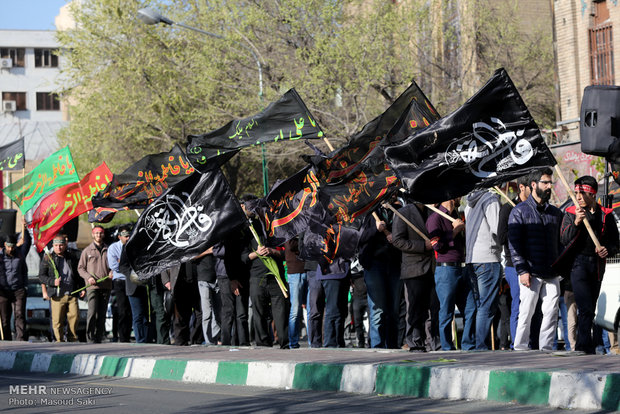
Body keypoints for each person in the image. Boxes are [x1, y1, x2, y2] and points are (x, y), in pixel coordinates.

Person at [557, 175, 619, 354]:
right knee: (585, 307)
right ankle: (585, 346)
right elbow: (564, 239)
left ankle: (588, 345)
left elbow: (615, 243)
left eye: (582, 193)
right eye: (576, 193)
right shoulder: (570, 212)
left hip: (598, 266)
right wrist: (576, 222)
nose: (578, 197)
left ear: (592, 195)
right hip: (578, 265)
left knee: (591, 308)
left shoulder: (606, 215)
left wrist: (608, 249)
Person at [508, 168, 563, 351]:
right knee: (526, 312)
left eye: (550, 182)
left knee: (551, 312)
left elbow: (562, 241)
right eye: (545, 182)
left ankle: (546, 348)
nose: (549, 186)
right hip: (530, 272)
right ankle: (520, 348)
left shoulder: (555, 213)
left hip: (551, 270)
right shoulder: (519, 211)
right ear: (533, 185)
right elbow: (514, 245)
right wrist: (522, 270)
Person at [239, 194, 289, 348]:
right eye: (249, 207)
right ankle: (263, 344)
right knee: (259, 314)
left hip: (276, 277)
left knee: (280, 313)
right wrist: (257, 253)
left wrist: (272, 251)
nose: (253, 210)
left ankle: (284, 343)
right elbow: (243, 257)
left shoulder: (274, 227)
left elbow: (286, 253)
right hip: (257, 277)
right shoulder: (245, 230)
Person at [426, 197, 476, 351]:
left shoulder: (456, 216)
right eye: (458, 195)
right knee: (446, 311)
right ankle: (447, 347)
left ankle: (468, 344)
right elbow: (437, 245)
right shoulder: (435, 218)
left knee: (471, 308)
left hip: (462, 268)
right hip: (446, 270)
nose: (461, 198)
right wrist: (454, 231)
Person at [391, 202, 435, 352]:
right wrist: (423, 246)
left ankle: (432, 341)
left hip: (433, 267)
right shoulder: (403, 213)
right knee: (415, 307)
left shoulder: (433, 211)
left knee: (432, 307)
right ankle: (414, 341)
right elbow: (397, 240)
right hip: (414, 268)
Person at [359, 205, 402, 349]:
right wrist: (374, 230)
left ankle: (393, 346)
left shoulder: (399, 208)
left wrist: (396, 237)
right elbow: (358, 238)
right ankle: (377, 347)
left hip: (394, 264)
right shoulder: (366, 211)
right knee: (378, 311)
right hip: (374, 265)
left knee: (394, 310)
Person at [465, 189, 502, 350]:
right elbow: (497, 229)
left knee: (480, 304)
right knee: (486, 305)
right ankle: (481, 345)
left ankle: (473, 343)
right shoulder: (490, 200)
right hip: (488, 257)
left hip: (472, 258)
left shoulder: (469, 203)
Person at [497, 176, 531, 348]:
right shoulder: (507, 209)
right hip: (513, 264)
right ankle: (516, 345)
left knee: (533, 307)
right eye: (531, 186)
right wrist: (517, 229)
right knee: (518, 304)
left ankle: (533, 342)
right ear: (522, 188)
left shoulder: (533, 208)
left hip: (532, 262)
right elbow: (501, 237)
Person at [38, 234, 84, 342]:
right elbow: (41, 276)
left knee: (75, 316)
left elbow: (78, 274)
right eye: (56, 245)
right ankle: (59, 341)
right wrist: (52, 282)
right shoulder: (48, 257)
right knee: (57, 320)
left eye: (61, 245)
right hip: (57, 294)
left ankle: (71, 338)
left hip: (72, 293)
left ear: (65, 245)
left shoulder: (72, 256)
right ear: (53, 245)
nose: (59, 248)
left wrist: (82, 288)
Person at [78, 226, 112, 343]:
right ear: (93, 235)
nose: (98, 235)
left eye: (100, 233)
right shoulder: (87, 251)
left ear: (103, 235)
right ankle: (90, 338)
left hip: (106, 285)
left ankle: (99, 337)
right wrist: (89, 277)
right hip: (92, 287)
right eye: (96, 233)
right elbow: (80, 268)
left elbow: (115, 265)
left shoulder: (109, 249)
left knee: (102, 314)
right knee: (92, 312)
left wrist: (113, 271)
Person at [0, 228, 32, 341]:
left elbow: (27, 242)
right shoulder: (0, 257)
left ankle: (21, 338)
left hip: (18, 290)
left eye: (13, 246)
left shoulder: (20, 254)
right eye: (8, 246)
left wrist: (24, 227)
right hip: (3, 291)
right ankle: (6, 339)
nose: (11, 249)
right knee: (5, 318)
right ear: (5, 245)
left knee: (19, 314)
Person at [107, 226, 133, 342]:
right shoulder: (113, 248)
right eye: (125, 236)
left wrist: (122, 262)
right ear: (119, 237)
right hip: (119, 282)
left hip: (132, 280)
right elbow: (114, 266)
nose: (128, 238)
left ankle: (127, 335)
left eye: (129, 236)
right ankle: (121, 337)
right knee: (122, 310)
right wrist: (126, 264)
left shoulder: (133, 246)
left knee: (130, 310)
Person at [195, 247, 221, 345]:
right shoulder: (201, 237)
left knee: (218, 312)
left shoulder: (216, 235)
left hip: (218, 277)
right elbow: (191, 256)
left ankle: (216, 338)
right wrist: (208, 251)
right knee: (207, 313)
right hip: (204, 278)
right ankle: (209, 341)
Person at [285, 237, 308, 349]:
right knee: (295, 310)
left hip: (308, 270)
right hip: (295, 272)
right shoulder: (290, 227)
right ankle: (293, 342)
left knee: (310, 309)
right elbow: (290, 246)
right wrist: (303, 239)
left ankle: (312, 341)